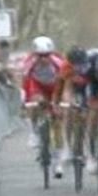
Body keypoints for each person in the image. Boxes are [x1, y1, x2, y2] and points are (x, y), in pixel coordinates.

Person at [22, 36, 65, 178]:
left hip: (54, 87)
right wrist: (23, 99)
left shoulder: (58, 63)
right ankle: (34, 131)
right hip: (38, 87)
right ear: (35, 55)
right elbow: (24, 82)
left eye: (46, 55)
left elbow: (66, 83)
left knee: (58, 120)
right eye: (40, 56)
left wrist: (61, 102)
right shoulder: (30, 64)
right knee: (34, 102)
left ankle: (58, 161)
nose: (43, 59)